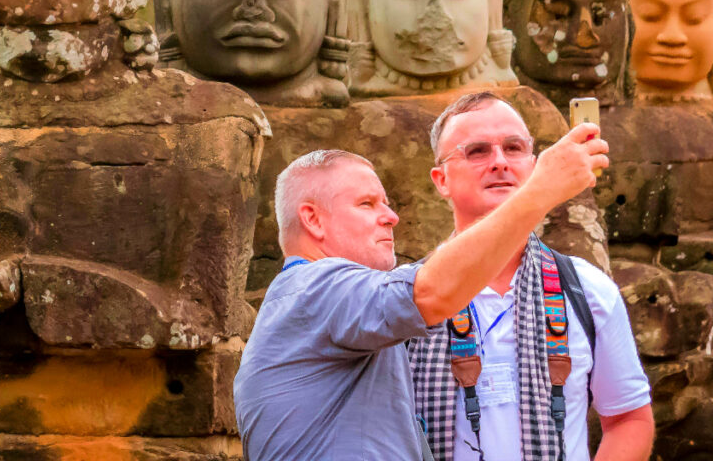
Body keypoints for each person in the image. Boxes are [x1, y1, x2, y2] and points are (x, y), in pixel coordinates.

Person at [233, 118, 609, 460]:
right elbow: (430, 294)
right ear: (312, 219)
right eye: (367, 203)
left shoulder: (320, 307)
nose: (391, 217)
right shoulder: (316, 288)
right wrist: (540, 190)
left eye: (387, 203)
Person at [410, 91, 653, 461]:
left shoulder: (585, 288)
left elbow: (628, 418)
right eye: (477, 151)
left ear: (535, 164)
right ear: (441, 179)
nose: (499, 162)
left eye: (513, 148)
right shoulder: (406, 296)